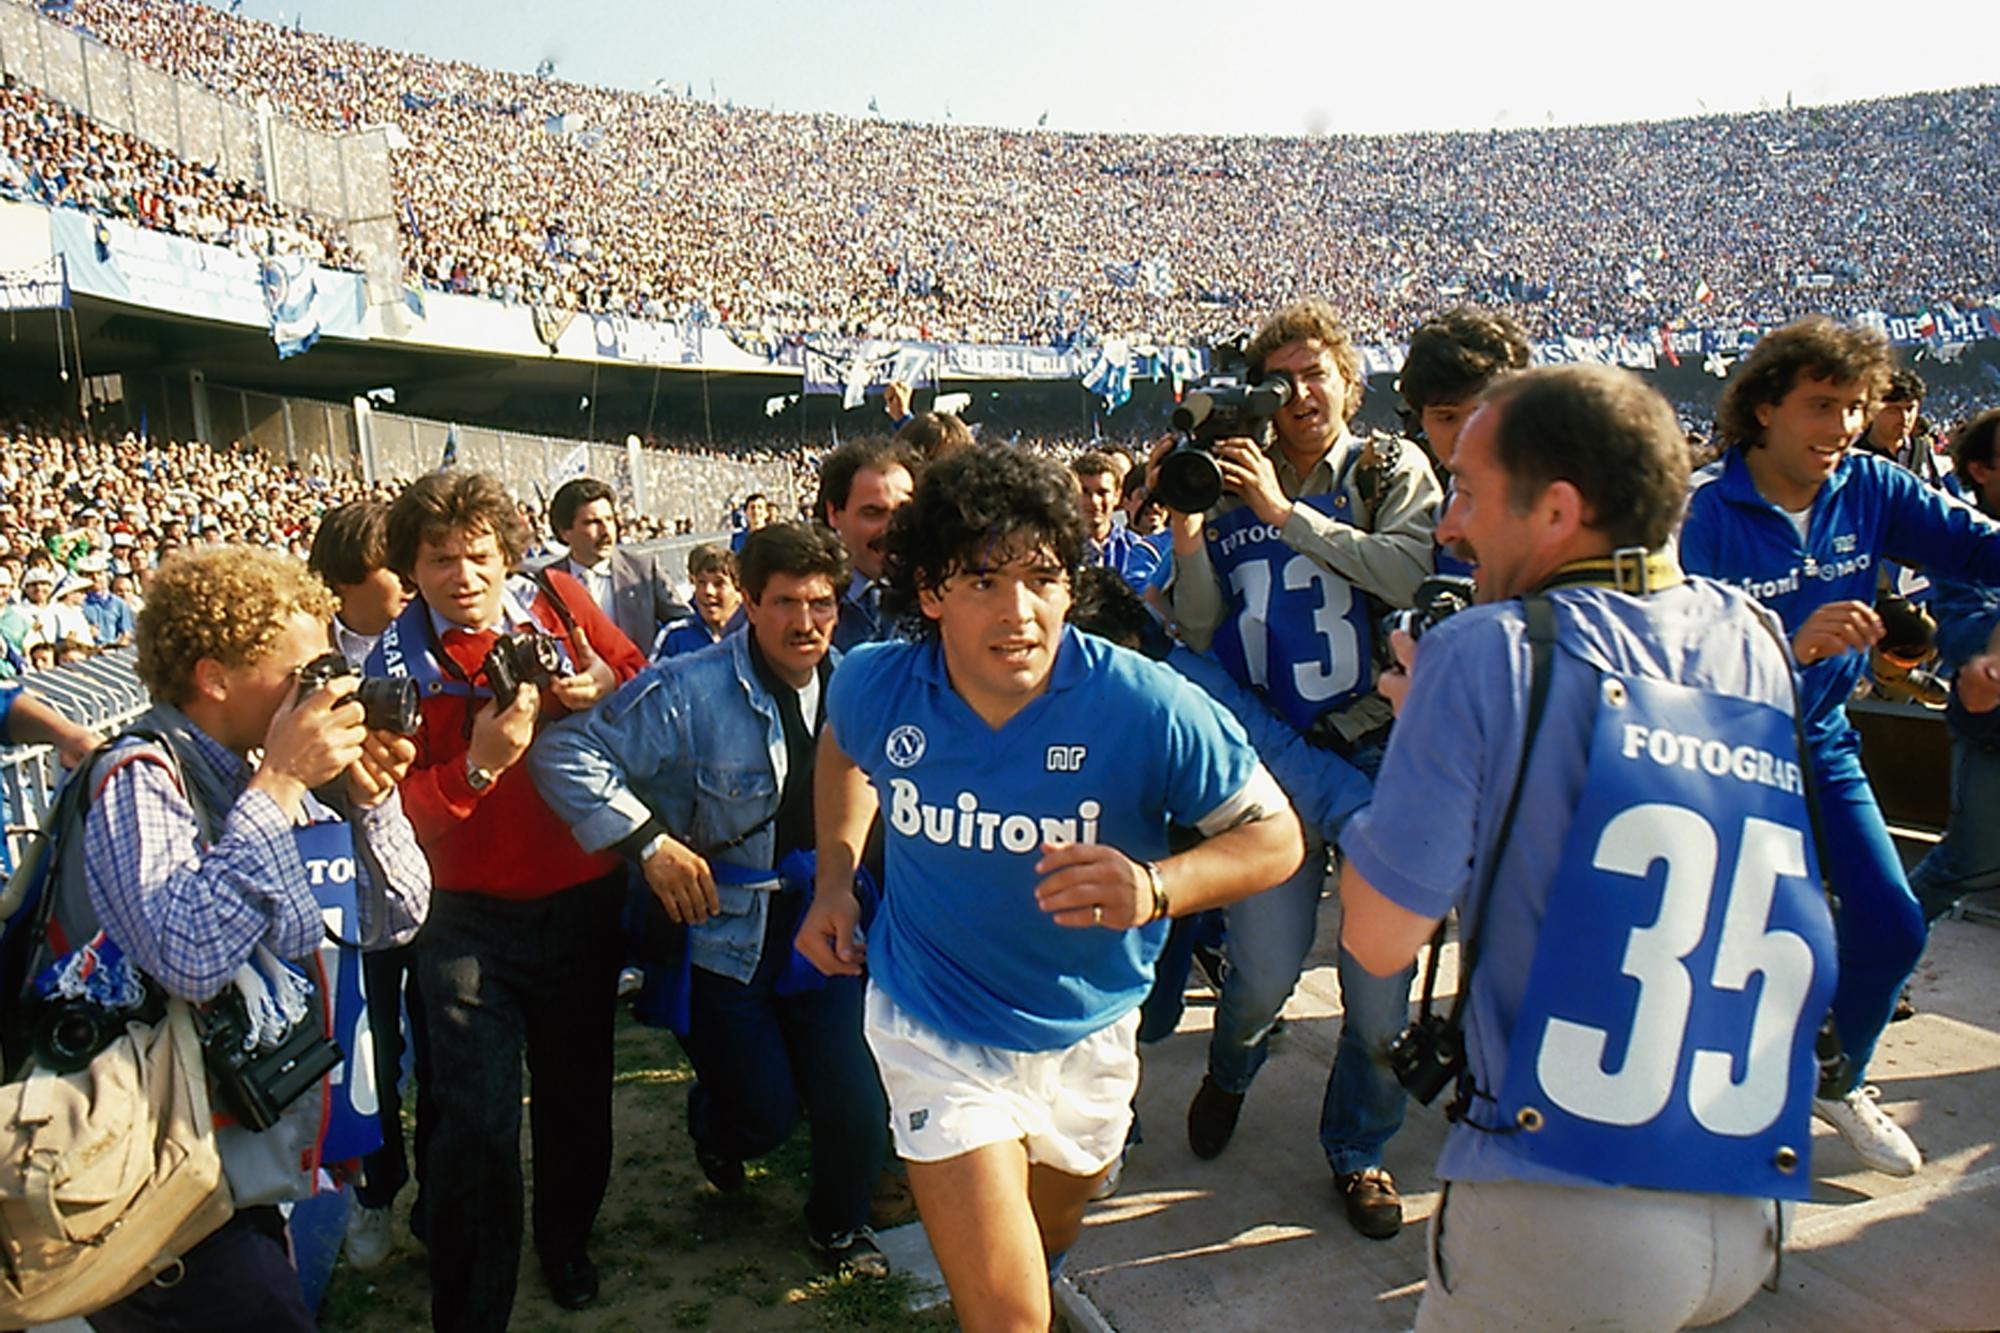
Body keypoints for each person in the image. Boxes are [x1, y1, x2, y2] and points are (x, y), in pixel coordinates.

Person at [1341, 365, 1832, 1330]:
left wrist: (1423, 730)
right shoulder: (1753, 635)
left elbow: (1376, 938)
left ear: (1558, 509)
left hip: (1558, 1207)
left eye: (1471, 493)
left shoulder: (1484, 652)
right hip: (1739, 1193)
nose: (1448, 524)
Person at [797, 446, 1302, 1333]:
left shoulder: (1147, 705)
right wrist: (836, 879)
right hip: (933, 1024)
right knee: (1010, 1314)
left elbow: (1276, 838)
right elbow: (843, 745)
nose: (1019, 612)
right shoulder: (880, 681)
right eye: (984, 581)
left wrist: (1153, 886)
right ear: (929, 593)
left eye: (1042, 578)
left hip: (1088, 1030)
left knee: (1049, 1238)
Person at [70, 546, 430, 1331]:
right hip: (156, 1179)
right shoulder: (139, 777)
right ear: (214, 677)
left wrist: (369, 805)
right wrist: (282, 784)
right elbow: (189, 955)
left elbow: (393, 915)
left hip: (236, 1164)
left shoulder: (249, 775)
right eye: (303, 675)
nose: (325, 693)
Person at [1679, 316, 2000, 1177]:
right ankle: (1701, 1127)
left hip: (1820, 743)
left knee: (1893, 928)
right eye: (1822, 405)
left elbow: (1981, 547)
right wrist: (1792, 641)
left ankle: (1836, 1077)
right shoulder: (1702, 511)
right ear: (1762, 411)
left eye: (1855, 406)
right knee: (1732, 959)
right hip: (1716, 760)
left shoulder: (1868, 486)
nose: (1844, 427)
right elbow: (1666, 661)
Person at [1155, 298, 1442, 1238]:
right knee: (1263, 975)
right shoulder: (1234, 477)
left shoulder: (1388, 469)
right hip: (1272, 761)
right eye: (1279, 379)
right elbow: (1197, 627)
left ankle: (1359, 1148)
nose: (1300, 392)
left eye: (1315, 371)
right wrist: (1191, 529)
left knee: (1376, 995)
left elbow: (1409, 576)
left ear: (1349, 381)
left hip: (1374, 752)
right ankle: (1232, 1065)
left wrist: (1289, 518)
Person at [533, 523, 890, 1277]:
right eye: (785, 602)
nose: (805, 623)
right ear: (749, 604)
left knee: (856, 1101)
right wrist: (649, 844)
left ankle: (837, 1227)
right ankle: (716, 1121)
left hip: (828, 922)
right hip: (728, 931)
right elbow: (565, 751)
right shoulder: (687, 687)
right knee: (762, 1116)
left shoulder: (863, 686)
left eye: (821, 604)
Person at [367, 470, 648, 1328]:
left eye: (479, 556)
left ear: (507, 553)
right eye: (441, 559)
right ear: (411, 569)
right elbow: (388, 820)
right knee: (474, 1123)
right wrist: (478, 767)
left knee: (575, 1095)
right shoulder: (387, 668)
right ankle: (473, 1304)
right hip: (461, 919)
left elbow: (638, 676)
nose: (464, 576)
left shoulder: (558, 600)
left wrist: (601, 681)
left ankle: (566, 1240)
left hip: (579, 900)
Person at [306, 497, 421, 1270]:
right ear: (350, 576)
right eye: (396, 568)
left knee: (447, 1052)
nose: (414, 582)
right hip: (351, 895)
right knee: (368, 1053)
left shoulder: (433, 643)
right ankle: (378, 1189)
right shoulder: (301, 661)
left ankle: (444, 1208)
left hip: (440, 881)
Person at [1906, 407, 2000, 924]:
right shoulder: (1960, 542)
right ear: (1981, 470)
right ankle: (1864, 969)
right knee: (1963, 866)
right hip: (1992, 739)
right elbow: (1964, 637)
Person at [541, 476, 689, 655]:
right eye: (592, 522)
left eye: (609, 519)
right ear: (565, 532)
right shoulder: (546, 582)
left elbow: (684, 624)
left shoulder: (643, 570)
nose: (606, 531)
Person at [816, 438, 918, 651]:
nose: (892, 527)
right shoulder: (803, 600)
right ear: (834, 513)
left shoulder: (943, 595)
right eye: (873, 513)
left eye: (903, 511)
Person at [1072, 451, 1161, 592]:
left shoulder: (1137, 549)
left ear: (1117, 496)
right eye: (1085, 492)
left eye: (1102, 492)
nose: (1094, 501)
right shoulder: (1059, 549)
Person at [653, 542, 743, 657]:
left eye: (719, 583)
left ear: (740, 593)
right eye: (701, 582)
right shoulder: (676, 637)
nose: (708, 591)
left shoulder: (758, 635)